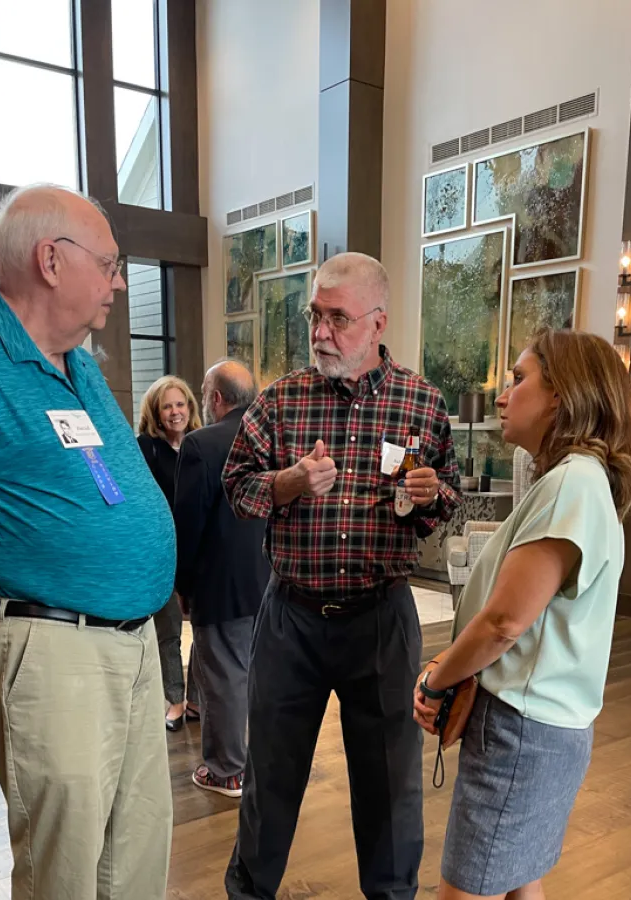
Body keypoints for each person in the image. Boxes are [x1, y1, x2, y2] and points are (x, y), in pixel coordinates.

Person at [0, 184, 176, 900]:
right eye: (109, 264)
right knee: (65, 873)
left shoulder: (75, 361)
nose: (116, 283)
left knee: (135, 859)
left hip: (135, 646)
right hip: (54, 651)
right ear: (51, 260)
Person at [222, 251, 462, 900]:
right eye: (314, 316)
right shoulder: (281, 402)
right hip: (291, 619)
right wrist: (289, 483)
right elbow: (237, 489)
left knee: (390, 786)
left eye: (338, 319)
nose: (320, 333)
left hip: (381, 620)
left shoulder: (422, 403)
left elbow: (449, 501)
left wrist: (433, 490)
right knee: (270, 777)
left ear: (378, 322)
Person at [414, 329, 631, 900]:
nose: (502, 394)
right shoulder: (581, 481)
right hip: (548, 725)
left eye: (519, 378)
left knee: (471, 888)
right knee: (520, 877)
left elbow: (505, 623)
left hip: (521, 728)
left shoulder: (572, 482)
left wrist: (436, 676)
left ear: (561, 396)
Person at [173, 359, 269, 798]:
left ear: (216, 398)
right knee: (252, 673)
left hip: (220, 583)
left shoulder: (201, 445)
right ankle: (257, 761)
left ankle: (227, 770)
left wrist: (182, 585)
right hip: (269, 580)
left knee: (225, 677)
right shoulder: (275, 441)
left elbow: (187, 526)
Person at [137, 375, 202, 730]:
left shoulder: (200, 444)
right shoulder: (145, 448)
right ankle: (175, 700)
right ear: (156, 412)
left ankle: (196, 700)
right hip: (161, 554)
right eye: (167, 406)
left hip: (199, 553)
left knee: (206, 632)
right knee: (169, 632)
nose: (175, 412)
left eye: (181, 404)